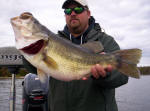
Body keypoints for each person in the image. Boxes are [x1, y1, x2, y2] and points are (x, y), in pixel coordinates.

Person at [23, 0, 129, 111]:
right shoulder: (52, 41)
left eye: (78, 9)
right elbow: (34, 68)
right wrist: (29, 49)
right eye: (68, 10)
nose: (72, 13)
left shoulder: (104, 41)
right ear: (65, 15)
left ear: (88, 13)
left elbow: (122, 76)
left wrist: (107, 75)